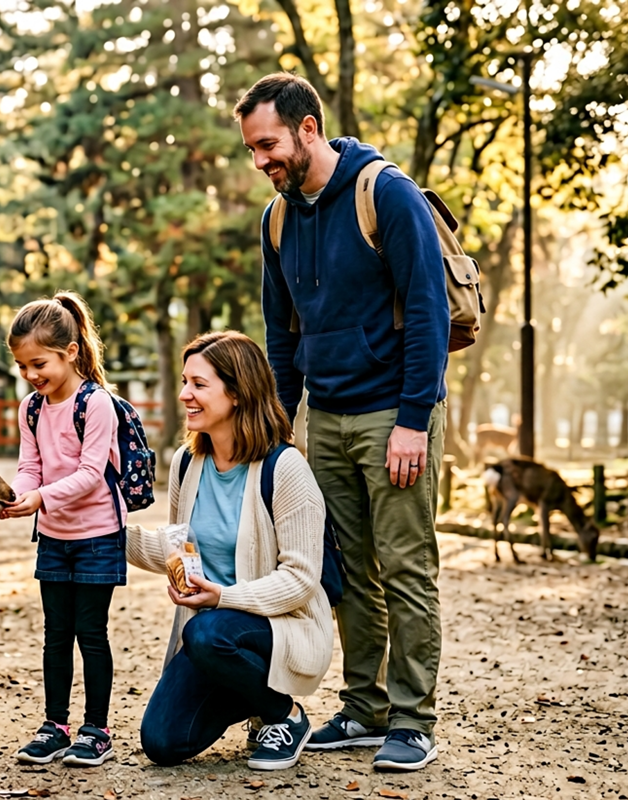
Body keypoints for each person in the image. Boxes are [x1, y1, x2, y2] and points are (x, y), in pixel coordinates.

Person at [234, 72, 450, 772]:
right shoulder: (276, 219)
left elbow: (427, 310)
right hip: (325, 416)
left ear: (305, 128)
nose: (261, 160)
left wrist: (414, 419)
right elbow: (280, 330)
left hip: (395, 412)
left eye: (268, 144)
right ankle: (365, 708)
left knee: (405, 565)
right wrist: (279, 423)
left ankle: (413, 720)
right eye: (252, 150)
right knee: (347, 570)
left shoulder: (384, 192)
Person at [129, 330, 332, 771]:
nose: (185, 394)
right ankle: (250, 696)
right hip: (215, 637)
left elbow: (301, 580)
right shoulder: (188, 462)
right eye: (185, 382)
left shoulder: (285, 467)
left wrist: (222, 597)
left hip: (278, 627)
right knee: (162, 742)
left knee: (207, 632)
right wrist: (106, 534)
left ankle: (284, 715)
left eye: (199, 385)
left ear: (238, 393)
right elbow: (176, 546)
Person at [0, 291, 124, 767]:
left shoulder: (96, 403)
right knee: (55, 633)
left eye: (39, 363)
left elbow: (91, 473)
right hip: (54, 536)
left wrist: (40, 497)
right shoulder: (32, 407)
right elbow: (31, 465)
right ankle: (55, 725)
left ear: (70, 352)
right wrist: (17, 495)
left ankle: (97, 729)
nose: (31, 375)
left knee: (91, 633)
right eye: (23, 366)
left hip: (97, 535)